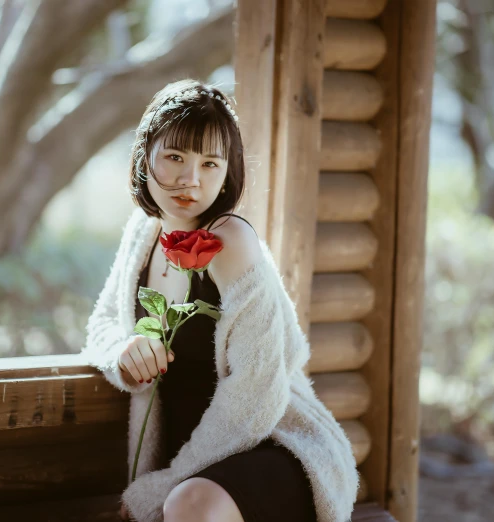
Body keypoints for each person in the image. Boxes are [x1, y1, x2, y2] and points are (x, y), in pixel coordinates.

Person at [81, 79, 358, 522]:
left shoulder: (232, 241)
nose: (191, 180)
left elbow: (257, 396)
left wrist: (163, 486)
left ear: (227, 172)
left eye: (210, 163)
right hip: (192, 464)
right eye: (175, 157)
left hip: (271, 447)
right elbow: (102, 323)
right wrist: (124, 351)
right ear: (144, 156)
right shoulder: (143, 231)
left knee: (189, 505)